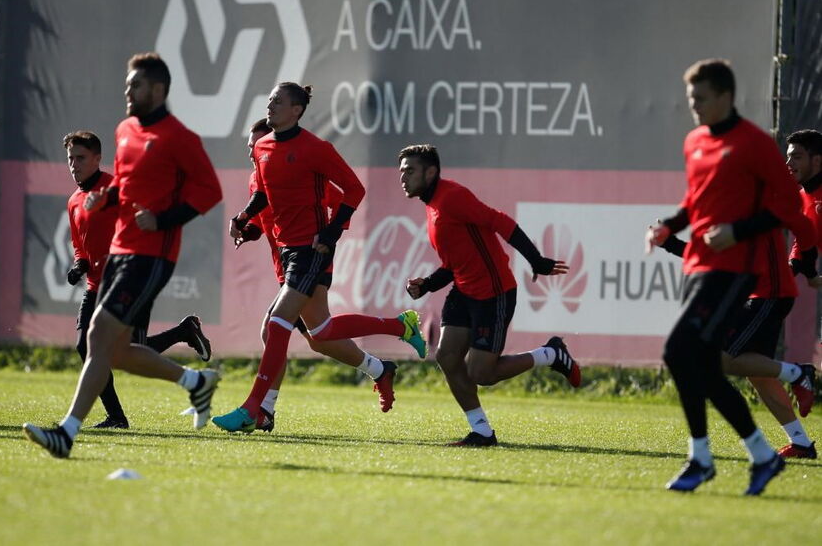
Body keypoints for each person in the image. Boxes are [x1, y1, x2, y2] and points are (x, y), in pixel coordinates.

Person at [22, 52, 223, 458]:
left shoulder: (179, 137)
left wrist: (164, 219)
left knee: (96, 339)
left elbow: (210, 192)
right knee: (111, 350)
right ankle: (194, 383)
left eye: (136, 85)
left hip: (152, 254)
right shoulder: (125, 129)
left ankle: (67, 432)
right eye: (128, 84)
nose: (127, 91)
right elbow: (127, 185)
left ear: (158, 89)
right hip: (120, 251)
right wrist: (105, 196)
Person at [213, 83, 426, 433]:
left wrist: (332, 231)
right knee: (321, 330)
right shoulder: (265, 149)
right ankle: (399, 329)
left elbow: (353, 190)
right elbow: (264, 195)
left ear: (297, 110)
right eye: (269, 100)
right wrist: (243, 219)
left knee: (276, 324)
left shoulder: (315, 148)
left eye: (278, 101)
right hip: (286, 251)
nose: (271, 105)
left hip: (312, 249)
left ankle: (256, 408)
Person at [646, 59, 815, 495]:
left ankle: (701, 459)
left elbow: (789, 210)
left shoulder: (754, 145)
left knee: (678, 350)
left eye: (700, 98)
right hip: (699, 265)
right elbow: (695, 200)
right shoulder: (694, 141)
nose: (694, 107)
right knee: (702, 363)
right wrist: (669, 225)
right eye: (690, 100)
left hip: (737, 271)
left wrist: (738, 232)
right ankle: (759, 455)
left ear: (724, 96)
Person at [398, 144, 580, 447]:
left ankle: (551, 354)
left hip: (493, 292)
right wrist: (427, 284)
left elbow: (500, 221)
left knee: (481, 372)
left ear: (431, 172)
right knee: (446, 356)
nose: (403, 178)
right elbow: (455, 263)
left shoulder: (452, 196)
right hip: (463, 290)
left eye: (410, 171)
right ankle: (481, 431)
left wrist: (535, 259)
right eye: (401, 172)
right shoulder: (432, 206)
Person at [64, 129, 213, 429]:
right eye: (70, 158)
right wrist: (80, 263)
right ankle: (116, 417)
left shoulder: (113, 189)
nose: (74, 165)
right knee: (86, 346)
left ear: (97, 158)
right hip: (96, 285)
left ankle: (185, 337)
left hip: (128, 279)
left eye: (80, 158)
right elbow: (79, 242)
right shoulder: (74, 201)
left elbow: (142, 218)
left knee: (128, 351)